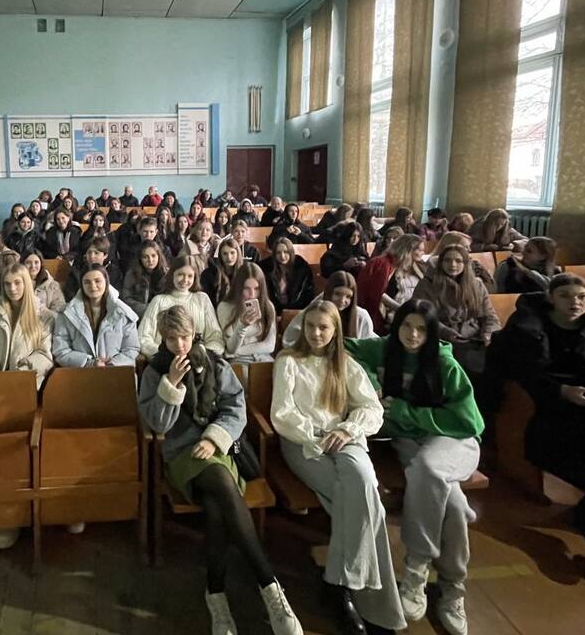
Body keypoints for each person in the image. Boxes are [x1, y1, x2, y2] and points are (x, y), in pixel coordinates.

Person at [138, 305, 303, 635]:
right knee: (220, 483)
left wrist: (214, 439)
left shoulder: (214, 363)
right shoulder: (155, 370)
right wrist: (171, 384)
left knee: (217, 507)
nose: (180, 345)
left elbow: (235, 407)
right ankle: (269, 585)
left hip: (218, 447)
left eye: (185, 337)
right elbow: (157, 423)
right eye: (172, 339)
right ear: (163, 339)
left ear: (194, 334)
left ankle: (217, 598)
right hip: (182, 454)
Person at [347, 299, 485, 635]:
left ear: (431, 332)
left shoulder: (444, 364)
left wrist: (407, 412)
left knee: (428, 467)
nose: (412, 335)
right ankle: (453, 586)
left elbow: (470, 423)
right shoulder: (385, 349)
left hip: (454, 441)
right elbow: (344, 347)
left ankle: (417, 566)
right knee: (453, 505)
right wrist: (370, 379)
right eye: (407, 326)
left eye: (421, 329)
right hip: (410, 442)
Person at [272, 300, 405, 635]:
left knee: (364, 485)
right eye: (311, 326)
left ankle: (337, 584)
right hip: (303, 443)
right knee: (367, 504)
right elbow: (283, 414)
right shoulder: (289, 361)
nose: (316, 333)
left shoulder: (345, 364)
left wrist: (347, 429)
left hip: (345, 439)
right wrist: (317, 435)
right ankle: (370, 604)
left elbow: (371, 409)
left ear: (335, 331)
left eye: (324, 327)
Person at [486, 274, 585, 539]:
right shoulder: (528, 329)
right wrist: (562, 391)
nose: (575, 302)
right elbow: (523, 373)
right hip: (547, 404)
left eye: (582, 297)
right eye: (565, 296)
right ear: (551, 298)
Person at [0, 264, 54, 550]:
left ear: (27, 284)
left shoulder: (44, 316)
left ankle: (17, 518)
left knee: (22, 455)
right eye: (7, 284)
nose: (12, 289)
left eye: (18, 283)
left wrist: (24, 369)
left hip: (29, 390)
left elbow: (46, 354)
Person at [413, 244, 500, 384]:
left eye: (458, 261)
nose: (453, 265)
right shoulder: (427, 285)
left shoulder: (476, 285)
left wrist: (487, 334)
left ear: (465, 263)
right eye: (447, 260)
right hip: (442, 339)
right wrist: (445, 332)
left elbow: (489, 316)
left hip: (475, 337)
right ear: (441, 263)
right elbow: (422, 315)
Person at [52, 264, 139, 368]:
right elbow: (61, 350)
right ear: (82, 285)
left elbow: (131, 348)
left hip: (117, 371)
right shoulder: (67, 313)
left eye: (97, 281)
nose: (93, 286)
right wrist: (90, 363)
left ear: (106, 282)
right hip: (80, 372)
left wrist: (111, 364)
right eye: (87, 282)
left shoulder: (123, 312)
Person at [138, 256, 225, 358]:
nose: (185, 280)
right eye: (180, 274)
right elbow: (143, 338)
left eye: (190, 276)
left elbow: (215, 337)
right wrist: (165, 355)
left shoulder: (202, 299)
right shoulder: (159, 301)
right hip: (164, 361)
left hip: (199, 361)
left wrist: (200, 355)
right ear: (172, 275)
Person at [283, 271, 375, 347]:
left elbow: (368, 346)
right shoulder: (314, 312)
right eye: (337, 294)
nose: (342, 300)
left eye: (348, 297)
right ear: (328, 293)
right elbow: (289, 341)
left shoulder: (361, 317)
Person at [357, 234, 425, 334]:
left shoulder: (392, 264)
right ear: (408, 249)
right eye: (420, 250)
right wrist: (400, 308)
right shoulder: (383, 264)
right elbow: (377, 294)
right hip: (370, 316)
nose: (423, 253)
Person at [217, 262, 276, 368]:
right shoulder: (225, 307)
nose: (252, 294)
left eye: (256, 289)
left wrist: (237, 351)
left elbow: (270, 345)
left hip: (263, 357)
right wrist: (242, 326)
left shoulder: (267, 306)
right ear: (239, 288)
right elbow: (231, 348)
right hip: (238, 360)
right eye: (246, 288)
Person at [260, 237, 314, 315]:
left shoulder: (301, 267)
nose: (282, 256)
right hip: (274, 311)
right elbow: (267, 296)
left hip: (298, 310)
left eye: (286, 252)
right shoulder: (266, 268)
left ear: (291, 252)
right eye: (278, 253)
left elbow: (307, 294)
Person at [494, 236, 561, 294]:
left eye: (529, 251)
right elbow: (498, 293)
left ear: (543, 256)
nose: (523, 253)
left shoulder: (555, 272)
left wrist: (526, 271)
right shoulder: (507, 266)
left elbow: (550, 288)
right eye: (524, 249)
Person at [64, 236, 122, 301]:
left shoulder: (114, 272)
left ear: (105, 255)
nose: (92, 256)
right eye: (89, 252)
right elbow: (70, 295)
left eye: (96, 253)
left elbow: (117, 295)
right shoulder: (76, 271)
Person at [121, 240, 169, 320]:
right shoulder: (132, 274)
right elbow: (126, 299)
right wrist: (148, 310)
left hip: (162, 316)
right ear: (140, 259)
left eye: (153, 256)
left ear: (159, 256)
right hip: (140, 317)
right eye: (145, 257)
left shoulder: (167, 274)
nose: (150, 260)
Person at [201, 237, 243, 308]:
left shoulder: (244, 272)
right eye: (225, 254)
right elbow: (206, 301)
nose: (229, 257)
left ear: (238, 254)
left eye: (232, 253)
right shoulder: (209, 274)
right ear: (220, 256)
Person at [23, 250, 66, 315]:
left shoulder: (53, 285)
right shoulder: (17, 284)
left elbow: (59, 309)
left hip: (46, 319)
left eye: (36, 262)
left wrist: (42, 311)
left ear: (41, 264)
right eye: (28, 262)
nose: (33, 266)